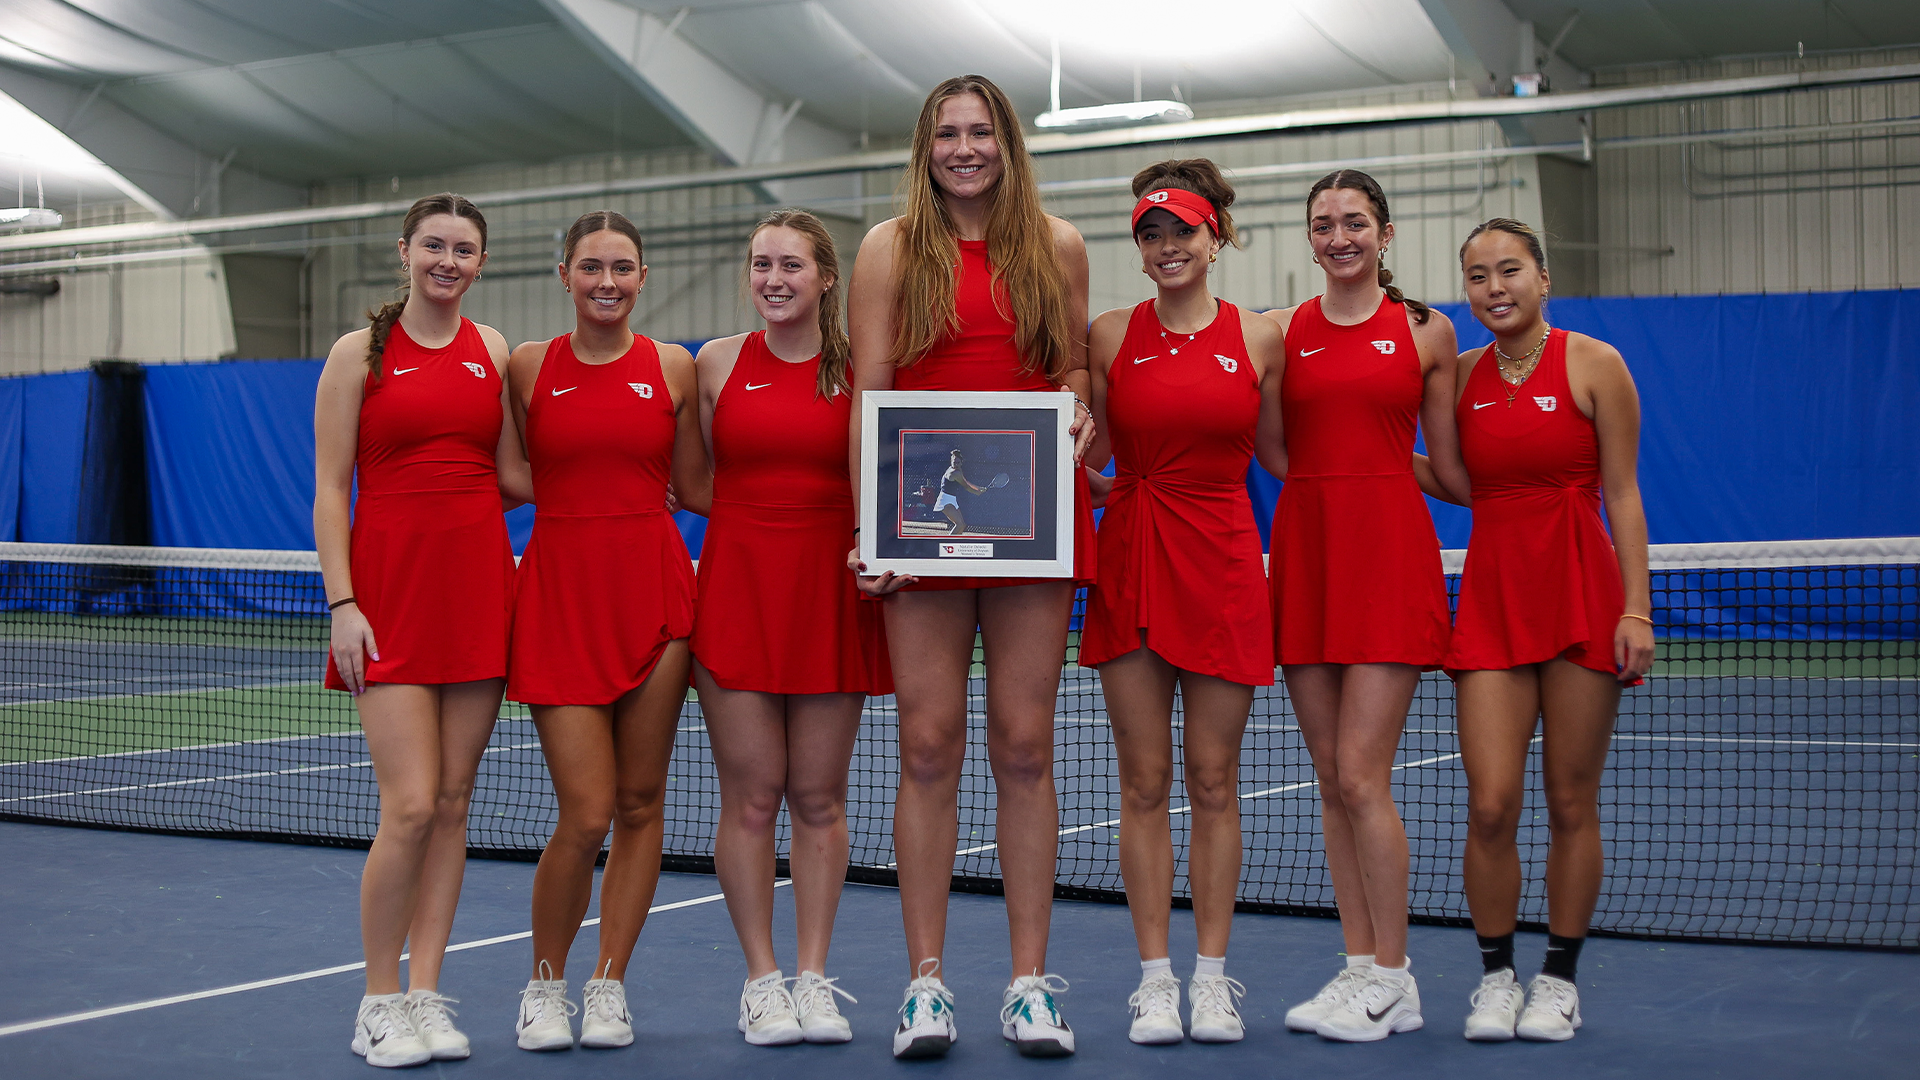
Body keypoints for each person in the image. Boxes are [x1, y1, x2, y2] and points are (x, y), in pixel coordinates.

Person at [845, 73, 1095, 1060]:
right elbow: (870, 390)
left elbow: (1069, 365)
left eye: (980, 131)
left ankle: (1029, 985)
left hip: (1033, 523)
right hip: (922, 528)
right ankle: (927, 985)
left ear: (1007, 142)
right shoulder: (889, 250)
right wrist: (870, 527)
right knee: (926, 744)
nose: (963, 148)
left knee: (1027, 747)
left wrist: (1077, 404)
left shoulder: (1059, 247)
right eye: (946, 133)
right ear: (925, 146)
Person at [314, 192, 525, 1068]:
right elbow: (331, 490)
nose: (448, 260)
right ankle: (376, 999)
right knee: (406, 807)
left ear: (480, 261)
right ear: (404, 252)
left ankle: (428, 993)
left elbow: (514, 472)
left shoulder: (494, 351)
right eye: (433, 245)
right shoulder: (357, 353)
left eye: (464, 248)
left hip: (478, 594)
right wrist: (343, 604)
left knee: (451, 804)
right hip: (387, 603)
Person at [1261, 169, 1472, 1043]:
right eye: (1323, 224)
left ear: (1385, 235)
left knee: (1360, 775)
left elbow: (1453, 469)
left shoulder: (1428, 332)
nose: (1338, 236)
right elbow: (1275, 455)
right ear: (1308, 239)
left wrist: (1387, 474)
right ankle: (1360, 970)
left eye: (1355, 222)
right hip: (1308, 561)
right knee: (1328, 780)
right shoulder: (1279, 334)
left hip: (1389, 561)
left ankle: (1397, 974)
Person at [1079, 159, 1284, 1046]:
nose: (1166, 248)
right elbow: (1080, 455)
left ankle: (1212, 978)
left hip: (1226, 561)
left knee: (1213, 780)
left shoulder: (1262, 336)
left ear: (1216, 237)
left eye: (1182, 232)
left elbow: (1283, 456)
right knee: (1144, 782)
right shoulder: (1107, 334)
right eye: (1150, 235)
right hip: (1130, 554)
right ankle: (1155, 980)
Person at [1436, 217, 1653, 1043]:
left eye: (1510, 271)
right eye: (1479, 277)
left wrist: (1636, 608)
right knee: (1490, 805)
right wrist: (1359, 459)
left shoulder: (1597, 363)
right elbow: (1456, 479)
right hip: (1493, 599)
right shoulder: (1457, 376)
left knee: (1570, 800)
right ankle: (1496, 978)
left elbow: (1624, 494)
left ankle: (1557, 980)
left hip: (1583, 595)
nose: (1495, 289)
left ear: (1543, 276)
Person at [504, 210, 706, 1054]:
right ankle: (545, 986)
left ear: (644, 276)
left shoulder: (674, 369)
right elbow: (507, 472)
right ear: (565, 274)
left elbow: (699, 487)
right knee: (584, 814)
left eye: (623, 267)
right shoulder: (523, 367)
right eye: (592, 267)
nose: (608, 283)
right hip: (558, 603)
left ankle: (609, 983)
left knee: (640, 802)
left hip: (659, 603)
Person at [689, 209, 892, 1047]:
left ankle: (812, 977)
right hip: (735, 596)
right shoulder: (714, 366)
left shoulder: (864, 370)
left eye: (791, 266)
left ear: (827, 277)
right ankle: (761, 981)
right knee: (751, 797)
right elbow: (692, 482)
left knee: (817, 797)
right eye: (760, 264)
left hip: (831, 599)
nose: (773, 279)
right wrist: (753, 530)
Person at [935, 450, 987, 534]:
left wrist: (978, 488)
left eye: (958, 462)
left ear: (961, 463)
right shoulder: (954, 473)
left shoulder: (958, 470)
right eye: (954, 462)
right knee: (959, 525)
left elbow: (965, 481)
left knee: (962, 525)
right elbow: (966, 486)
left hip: (952, 499)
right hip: (945, 500)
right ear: (951, 461)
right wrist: (977, 492)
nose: (956, 464)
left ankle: (956, 543)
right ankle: (948, 544)